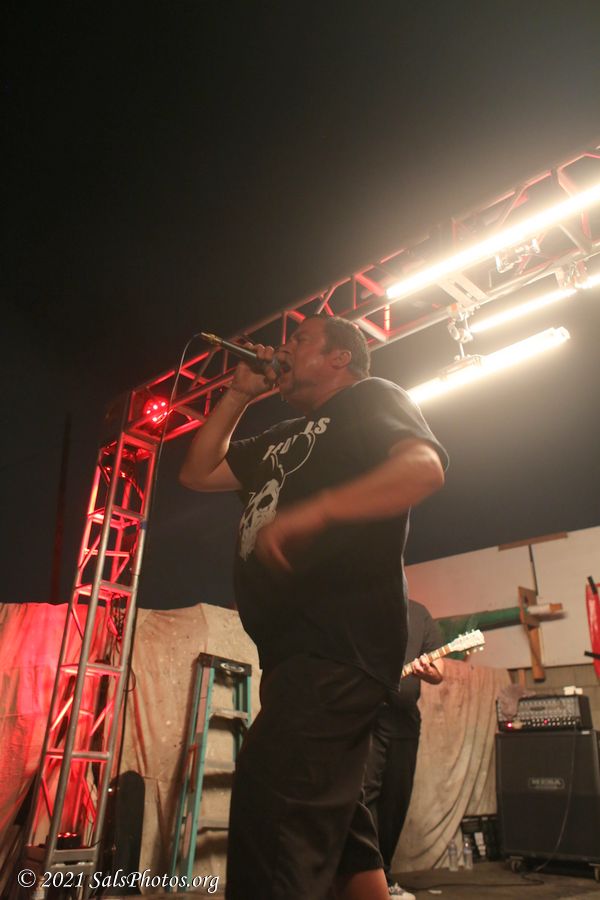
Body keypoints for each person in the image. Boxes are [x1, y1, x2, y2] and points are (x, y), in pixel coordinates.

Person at [179, 315, 448, 900]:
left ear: (339, 358)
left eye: (299, 340)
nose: (283, 348)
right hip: (292, 653)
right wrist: (238, 395)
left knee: (272, 822)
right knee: (340, 828)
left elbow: (423, 468)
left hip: (338, 643)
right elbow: (197, 472)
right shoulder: (281, 435)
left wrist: (320, 512)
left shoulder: (370, 398)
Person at [363, 599, 444, 899]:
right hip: (368, 716)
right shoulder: (362, 605)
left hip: (405, 719)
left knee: (396, 798)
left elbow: (439, 671)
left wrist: (426, 671)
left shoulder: (419, 614)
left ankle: (384, 877)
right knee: (366, 795)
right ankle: (366, 880)